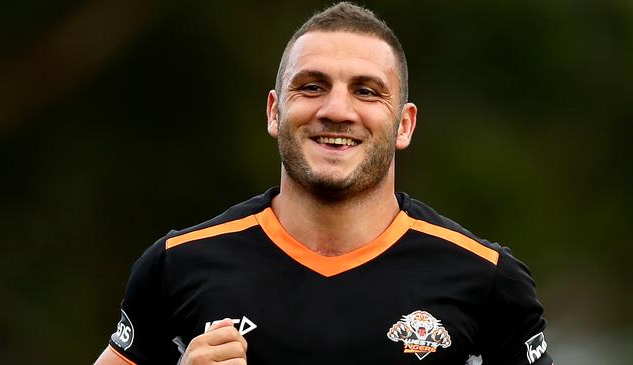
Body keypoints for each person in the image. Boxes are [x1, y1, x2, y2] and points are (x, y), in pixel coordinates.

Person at [94, 2, 553, 364]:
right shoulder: (177, 265)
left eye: (367, 91)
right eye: (312, 86)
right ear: (275, 111)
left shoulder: (487, 277)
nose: (336, 110)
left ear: (404, 125)